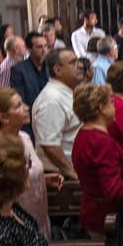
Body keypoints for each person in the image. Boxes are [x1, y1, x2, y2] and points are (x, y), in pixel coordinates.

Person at [0, 87, 60, 238]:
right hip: (13, 227)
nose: (26, 108)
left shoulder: (24, 137)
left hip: (38, 217)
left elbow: (21, 175)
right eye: (18, 106)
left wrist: (42, 179)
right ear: (4, 117)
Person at [71, 84, 123, 238]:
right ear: (101, 107)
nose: (115, 107)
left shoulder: (84, 134)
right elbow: (114, 191)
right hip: (108, 219)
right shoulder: (100, 142)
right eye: (112, 103)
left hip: (95, 214)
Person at [32, 49, 84, 179]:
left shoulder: (66, 92)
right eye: (73, 62)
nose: (80, 65)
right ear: (58, 70)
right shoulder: (52, 99)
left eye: (78, 61)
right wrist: (73, 174)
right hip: (62, 176)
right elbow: (50, 145)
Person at [10, 32, 50, 112]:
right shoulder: (19, 70)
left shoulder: (51, 67)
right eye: (39, 47)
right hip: (33, 115)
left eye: (46, 46)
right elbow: (20, 100)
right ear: (29, 49)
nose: (44, 50)